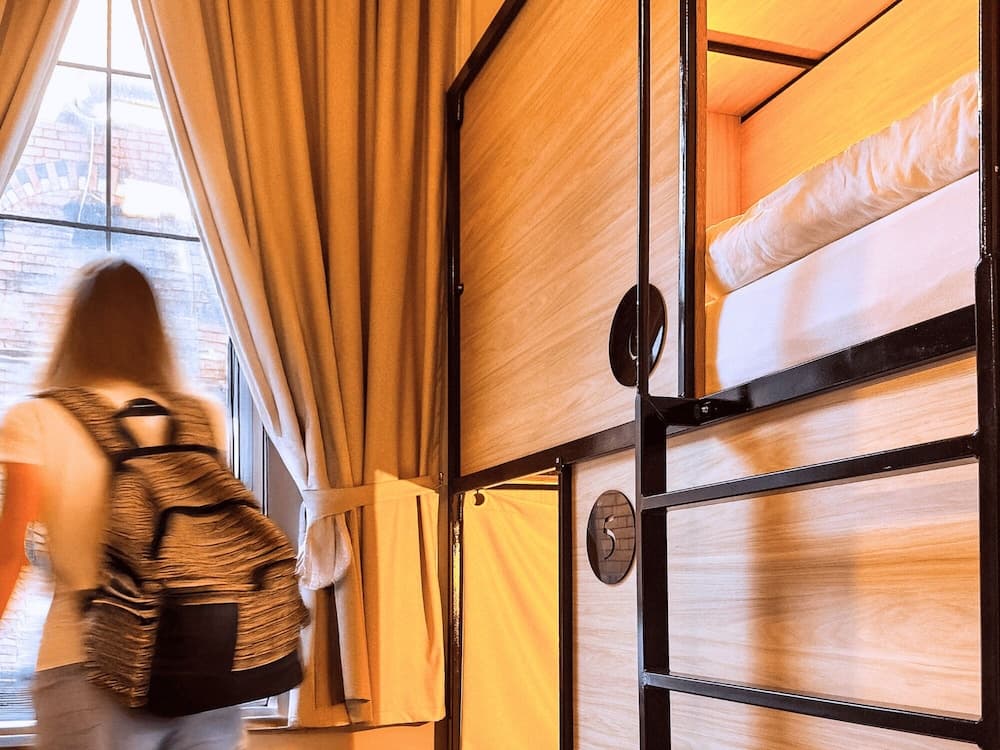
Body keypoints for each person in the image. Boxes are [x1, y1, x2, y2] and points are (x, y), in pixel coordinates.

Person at [0, 259, 245, 749]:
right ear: (155, 332)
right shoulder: (203, 417)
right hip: (204, 665)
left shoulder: (37, 419)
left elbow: (10, 557)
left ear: (74, 328)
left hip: (87, 665)